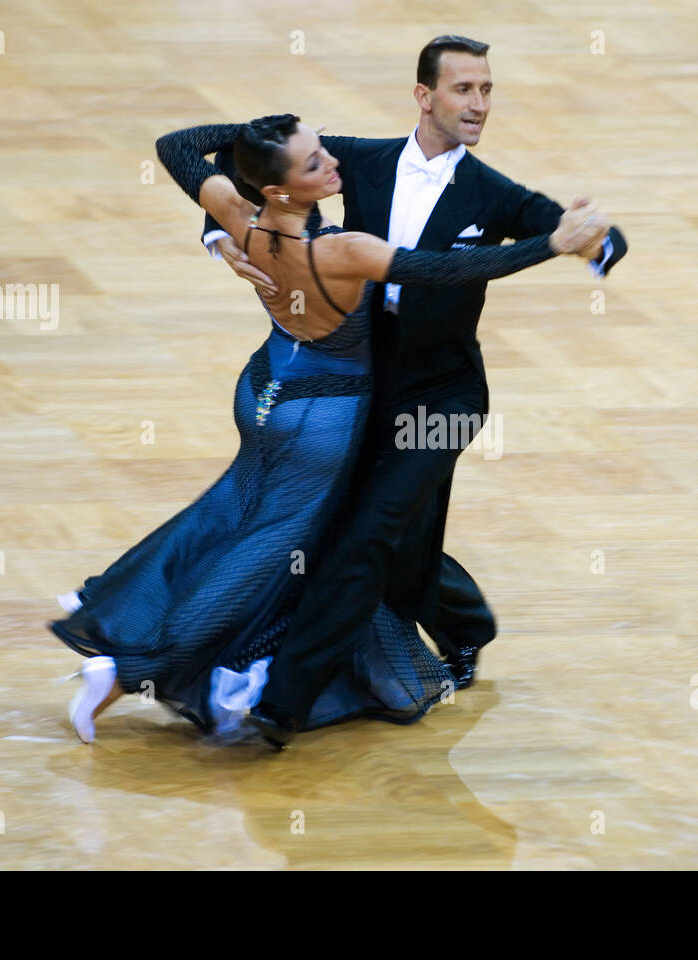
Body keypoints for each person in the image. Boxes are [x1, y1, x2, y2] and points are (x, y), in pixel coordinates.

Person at [47, 112, 610, 745]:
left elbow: (175, 145)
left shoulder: (238, 215)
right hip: (322, 420)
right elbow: (447, 271)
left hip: (264, 391)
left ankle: (202, 655)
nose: (332, 164)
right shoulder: (342, 252)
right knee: (268, 555)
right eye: (315, 163)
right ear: (284, 190)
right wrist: (552, 245)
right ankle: (134, 668)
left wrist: (263, 137)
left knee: (229, 520)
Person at [194, 36, 629, 747]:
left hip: (444, 400)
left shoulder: (492, 193)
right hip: (361, 388)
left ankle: (286, 704)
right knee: (390, 537)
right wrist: (220, 238)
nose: (479, 104)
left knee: (369, 535)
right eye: (464, 89)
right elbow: (242, 161)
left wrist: (597, 241)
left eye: (487, 90)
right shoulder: (352, 160)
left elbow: (578, 233)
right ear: (424, 96)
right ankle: (466, 624)